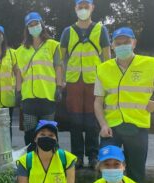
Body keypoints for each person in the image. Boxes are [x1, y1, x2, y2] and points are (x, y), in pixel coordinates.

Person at [94, 27, 154, 183]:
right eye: (118, 43)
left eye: (126, 42)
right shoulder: (103, 68)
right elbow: (98, 101)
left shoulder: (150, 65)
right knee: (107, 171)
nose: (122, 45)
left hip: (137, 127)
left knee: (136, 175)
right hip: (110, 129)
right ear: (112, 46)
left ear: (134, 43)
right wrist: (103, 125)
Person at [60, 0, 111, 169]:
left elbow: (107, 58)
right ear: (75, 9)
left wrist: (107, 83)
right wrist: (60, 81)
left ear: (92, 8)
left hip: (94, 82)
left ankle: (93, 155)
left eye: (86, 7)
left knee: (92, 121)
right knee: (74, 121)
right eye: (80, 7)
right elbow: (60, 60)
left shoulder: (100, 29)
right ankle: (77, 156)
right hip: (73, 81)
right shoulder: (68, 32)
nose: (83, 10)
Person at [16, 12, 64, 150]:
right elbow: (19, 72)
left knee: (48, 130)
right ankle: (31, 158)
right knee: (30, 131)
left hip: (47, 95)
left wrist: (59, 87)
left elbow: (58, 67)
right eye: (30, 25)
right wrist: (18, 91)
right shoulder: (21, 50)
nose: (34, 27)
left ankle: (52, 158)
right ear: (27, 29)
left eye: (36, 23)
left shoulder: (52, 45)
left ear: (41, 25)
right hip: (28, 97)